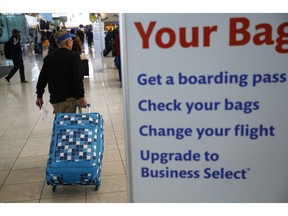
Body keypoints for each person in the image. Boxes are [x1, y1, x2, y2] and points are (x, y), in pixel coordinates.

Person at [35, 29, 88, 114]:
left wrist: (39, 96)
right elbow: (78, 79)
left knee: (61, 125)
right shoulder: (74, 56)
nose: (72, 42)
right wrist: (81, 97)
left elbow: (42, 79)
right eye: (71, 40)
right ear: (67, 43)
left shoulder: (49, 58)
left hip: (56, 101)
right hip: (71, 100)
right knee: (72, 126)